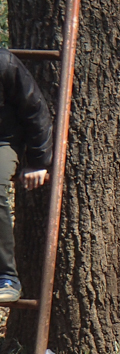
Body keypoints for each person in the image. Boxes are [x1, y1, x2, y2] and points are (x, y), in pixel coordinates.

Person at [0, 49, 53, 303]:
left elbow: (35, 111)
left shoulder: (4, 63)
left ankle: (6, 276)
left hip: (4, 141)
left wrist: (37, 161)